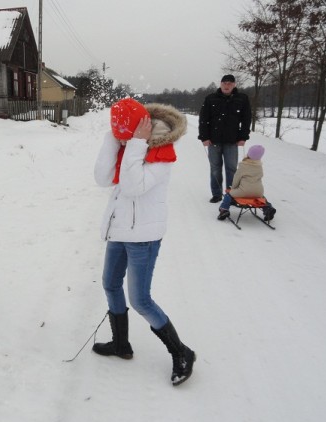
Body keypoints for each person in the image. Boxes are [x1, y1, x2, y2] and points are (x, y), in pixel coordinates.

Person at [93, 98, 196, 386]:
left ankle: (182, 352)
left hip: (143, 238)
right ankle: (120, 344)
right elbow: (102, 178)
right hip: (119, 230)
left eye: (120, 129)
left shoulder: (161, 151)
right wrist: (112, 140)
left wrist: (136, 143)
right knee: (110, 284)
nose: (119, 136)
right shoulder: (126, 144)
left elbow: (132, 186)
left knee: (140, 300)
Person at [198, 74, 252, 203]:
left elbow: (246, 119)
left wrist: (243, 136)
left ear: (234, 85)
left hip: (232, 140)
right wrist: (204, 137)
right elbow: (203, 119)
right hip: (213, 140)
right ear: (221, 84)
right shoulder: (210, 98)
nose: (227, 85)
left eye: (230, 83)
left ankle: (231, 194)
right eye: (224, 83)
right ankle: (216, 194)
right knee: (215, 169)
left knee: (232, 169)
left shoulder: (242, 98)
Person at [217, 144, 276, 221]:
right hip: (258, 192)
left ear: (249, 154)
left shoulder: (243, 165)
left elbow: (236, 179)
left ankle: (224, 210)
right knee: (262, 199)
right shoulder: (259, 166)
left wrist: (233, 188)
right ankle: (268, 209)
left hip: (243, 191)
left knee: (228, 195)